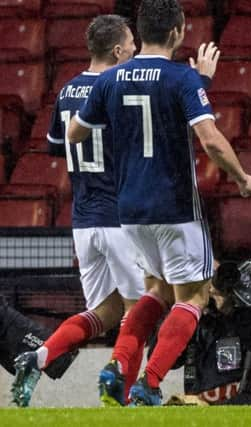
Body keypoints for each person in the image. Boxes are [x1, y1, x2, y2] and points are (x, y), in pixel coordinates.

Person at [67, 0, 251, 406]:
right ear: (178, 31)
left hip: (129, 209)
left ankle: (118, 366)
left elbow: (76, 133)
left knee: (156, 291)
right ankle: (149, 383)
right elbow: (209, 138)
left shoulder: (110, 80)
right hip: (174, 207)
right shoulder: (183, 77)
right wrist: (242, 177)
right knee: (194, 296)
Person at [10, 15, 141, 408]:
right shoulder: (118, 88)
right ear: (117, 49)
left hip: (84, 221)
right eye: (131, 42)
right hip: (119, 216)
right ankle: (125, 394)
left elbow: (55, 147)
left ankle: (39, 356)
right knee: (139, 312)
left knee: (103, 313)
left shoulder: (67, 91)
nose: (135, 48)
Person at [152, 259, 251, 406]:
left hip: (241, 406)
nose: (214, 288)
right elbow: (159, 357)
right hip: (200, 408)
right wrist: (179, 310)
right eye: (207, 280)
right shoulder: (195, 323)